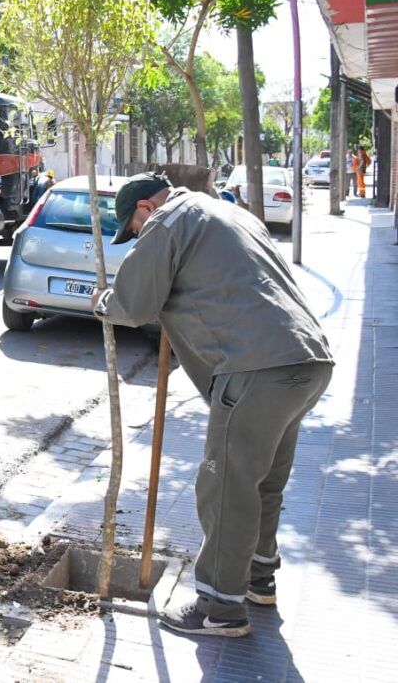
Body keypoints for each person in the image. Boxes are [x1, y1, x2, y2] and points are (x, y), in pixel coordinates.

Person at [90, 173, 333, 638]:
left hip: (254, 366)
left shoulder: (167, 222)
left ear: (145, 207)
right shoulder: (228, 212)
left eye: (133, 229)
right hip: (307, 359)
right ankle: (258, 580)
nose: (137, 236)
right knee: (262, 483)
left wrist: (104, 301)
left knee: (226, 487)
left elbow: (133, 303)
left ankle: (220, 608)